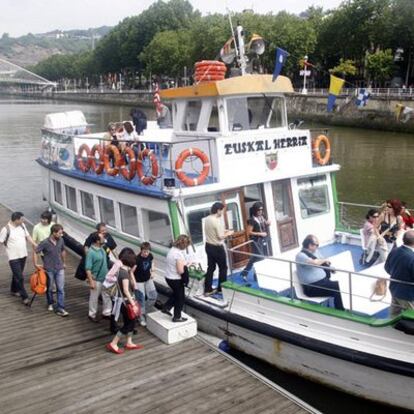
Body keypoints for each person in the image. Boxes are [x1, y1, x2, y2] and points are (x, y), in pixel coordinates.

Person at [107, 247, 143, 354]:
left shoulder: (121, 270)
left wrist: (131, 273)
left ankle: (129, 341)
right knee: (128, 324)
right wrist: (134, 304)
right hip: (127, 302)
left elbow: (134, 286)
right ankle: (113, 343)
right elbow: (127, 291)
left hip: (122, 301)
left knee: (131, 323)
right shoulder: (124, 274)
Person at [295, 235, 345, 311]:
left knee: (342, 284)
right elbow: (314, 262)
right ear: (310, 245)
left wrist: (330, 268)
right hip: (312, 287)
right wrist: (324, 260)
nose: (317, 247)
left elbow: (322, 260)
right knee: (338, 287)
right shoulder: (300, 256)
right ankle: (340, 310)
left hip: (323, 282)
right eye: (316, 245)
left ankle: (342, 307)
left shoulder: (316, 252)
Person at [0, 211, 36, 305]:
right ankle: (25, 297)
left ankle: (13, 290)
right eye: (22, 219)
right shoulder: (6, 229)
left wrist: (35, 244)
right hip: (13, 257)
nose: (23, 220)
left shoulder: (22, 226)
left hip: (23, 255)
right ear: (16, 220)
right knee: (20, 277)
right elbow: (1, 242)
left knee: (17, 274)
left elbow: (28, 236)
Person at [34, 224, 68, 316]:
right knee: (49, 288)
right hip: (49, 269)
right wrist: (35, 263)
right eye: (59, 233)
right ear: (54, 233)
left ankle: (61, 308)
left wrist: (64, 262)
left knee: (60, 289)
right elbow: (36, 251)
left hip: (60, 268)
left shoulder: (61, 240)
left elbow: (63, 250)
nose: (61, 235)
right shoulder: (44, 242)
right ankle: (50, 303)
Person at [203, 202, 234, 295]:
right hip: (217, 248)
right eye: (222, 210)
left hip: (208, 246)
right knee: (223, 268)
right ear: (218, 210)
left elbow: (214, 230)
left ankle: (207, 289)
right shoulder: (216, 221)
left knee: (211, 268)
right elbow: (220, 236)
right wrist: (229, 233)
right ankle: (221, 289)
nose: (223, 212)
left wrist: (224, 231)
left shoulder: (207, 219)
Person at [384, 230, 414, 316]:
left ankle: (392, 327)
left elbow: (387, 268)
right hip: (408, 294)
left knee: (394, 314)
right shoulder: (412, 257)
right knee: (410, 316)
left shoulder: (395, 251)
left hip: (394, 288)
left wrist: (397, 275)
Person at [162, 235, 190, 322]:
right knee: (180, 298)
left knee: (176, 294)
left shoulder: (172, 250)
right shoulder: (178, 254)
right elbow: (180, 271)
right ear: (184, 245)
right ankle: (177, 317)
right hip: (175, 279)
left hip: (168, 277)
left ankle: (166, 307)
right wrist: (186, 266)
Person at [85, 232, 112, 322]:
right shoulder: (91, 252)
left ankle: (106, 313)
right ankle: (92, 314)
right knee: (94, 297)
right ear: (97, 241)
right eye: (101, 238)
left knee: (107, 295)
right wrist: (91, 281)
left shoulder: (102, 249)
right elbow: (88, 268)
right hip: (96, 279)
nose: (104, 238)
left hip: (105, 278)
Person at [240, 202, 271, 281]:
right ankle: (256, 276)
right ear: (255, 210)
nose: (260, 211)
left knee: (255, 258)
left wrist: (267, 223)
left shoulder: (262, 217)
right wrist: (260, 233)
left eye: (261, 210)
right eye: (259, 210)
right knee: (260, 258)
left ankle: (244, 273)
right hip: (256, 241)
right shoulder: (252, 220)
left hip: (262, 240)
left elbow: (263, 225)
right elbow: (248, 232)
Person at [133, 242, 157, 327]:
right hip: (139, 281)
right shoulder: (137, 259)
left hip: (148, 279)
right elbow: (131, 272)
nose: (146, 253)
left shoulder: (150, 256)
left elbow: (152, 263)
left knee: (153, 296)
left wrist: (153, 271)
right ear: (141, 251)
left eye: (147, 251)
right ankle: (141, 317)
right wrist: (133, 282)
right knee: (141, 299)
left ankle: (142, 311)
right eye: (144, 252)